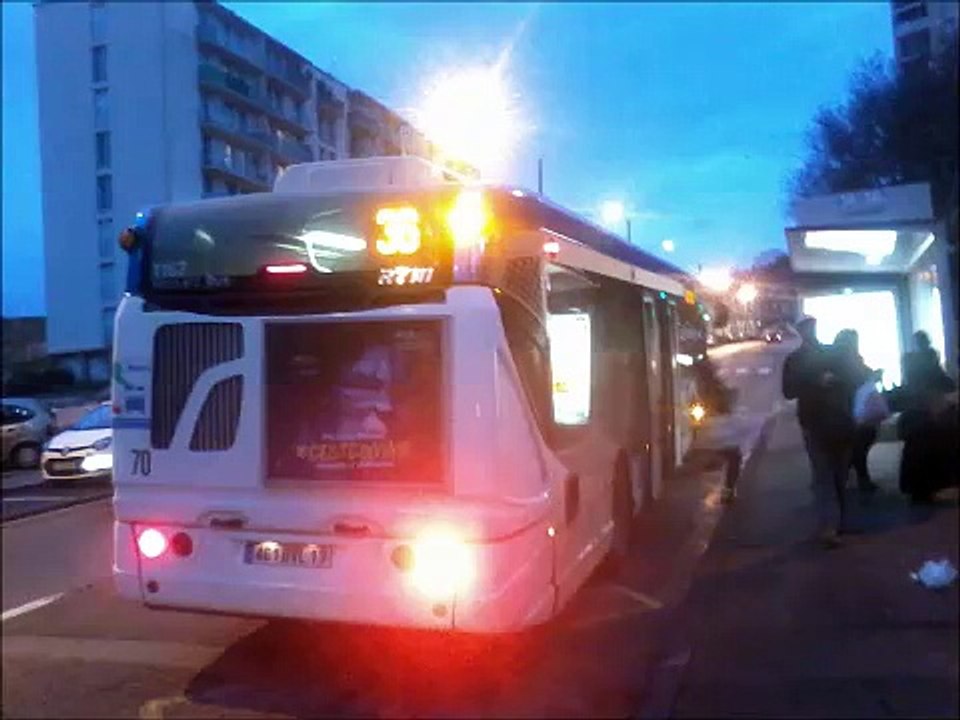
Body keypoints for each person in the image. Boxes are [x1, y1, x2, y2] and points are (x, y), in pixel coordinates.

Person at [782, 315, 857, 548]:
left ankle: (832, 525)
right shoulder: (830, 354)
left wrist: (815, 383)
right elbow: (851, 379)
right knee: (835, 474)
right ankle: (835, 524)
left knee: (828, 475)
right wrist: (821, 382)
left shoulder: (795, 359)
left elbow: (789, 391)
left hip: (819, 421)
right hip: (833, 421)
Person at [897, 331, 957, 503]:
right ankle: (939, 484)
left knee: (917, 450)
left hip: (919, 418)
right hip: (937, 419)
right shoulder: (935, 368)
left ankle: (920, 488)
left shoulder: (911, 362)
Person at [832, 329, 881, 494]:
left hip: (846, 410)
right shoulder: (849, 360)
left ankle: (853, 478)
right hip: (852, 410)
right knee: (858, 447)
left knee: (856, 447)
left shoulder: (838, 359)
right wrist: (872, 376)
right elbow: (859, 376)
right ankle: (857, 479)